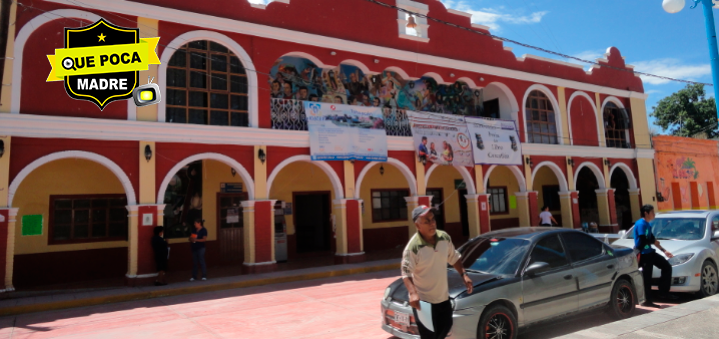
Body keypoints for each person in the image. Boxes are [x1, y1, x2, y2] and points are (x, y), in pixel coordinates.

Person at [402, 205, 472, 339]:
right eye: (426, 221)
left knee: (445, 328)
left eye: (433, 219)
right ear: (417, 226)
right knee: (429, 336)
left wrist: (464, 275)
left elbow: (454, 257)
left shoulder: (444, 238)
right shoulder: (413, 247)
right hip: (424, 303)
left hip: (442, 299)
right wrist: (413, 293)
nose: (432, 223)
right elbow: (406, 272)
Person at [634, 204, 677, 308]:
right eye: (652, 212)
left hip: (650, 253)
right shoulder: (641, 224)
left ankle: (663, 293)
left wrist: (664, 250)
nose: (654, 214)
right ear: (646, 213)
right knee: (647, 278)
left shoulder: (647, 224)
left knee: (666, 267)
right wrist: (653, 241)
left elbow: (652, 238)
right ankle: (647, 300)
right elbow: (643, 239)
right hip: (643, 254)